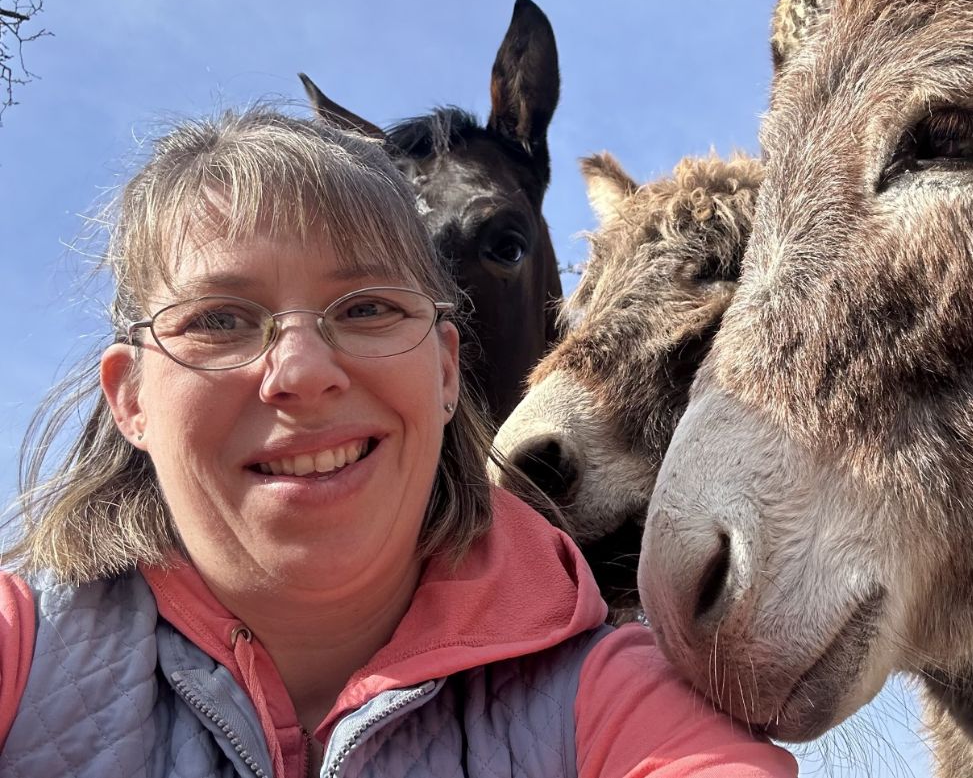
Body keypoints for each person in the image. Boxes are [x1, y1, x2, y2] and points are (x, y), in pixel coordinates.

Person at [0, 107, 796, 778]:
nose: (303, 372)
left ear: (448, 365)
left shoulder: (609, 693)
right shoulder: (25, 647)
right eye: (218, 319)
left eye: (368, 307)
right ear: (129, 396)